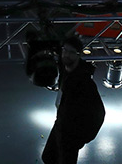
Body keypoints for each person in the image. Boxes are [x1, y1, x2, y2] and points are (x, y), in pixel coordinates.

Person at [42, 35, 105, 164]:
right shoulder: (66, 70)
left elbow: (99, 113)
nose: (66, 55)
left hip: (71, 135)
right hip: (59, 125)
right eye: (65, 50)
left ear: (78, 55)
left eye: (71, 53)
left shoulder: (84, 83)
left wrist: (81, 138)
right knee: (48, 157)